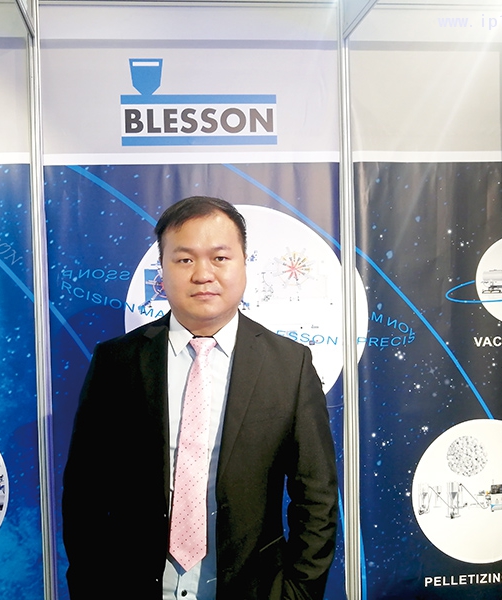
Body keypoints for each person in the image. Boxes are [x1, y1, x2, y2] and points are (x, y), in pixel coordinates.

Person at [62, 196, 337, 600]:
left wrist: (297, 593)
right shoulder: (116, 363)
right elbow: (85, 492)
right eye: (185, 259)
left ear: (244, 264)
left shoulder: (289, 366)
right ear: (162, 270)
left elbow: (316, 498)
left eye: (220, 258)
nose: (203, 274)